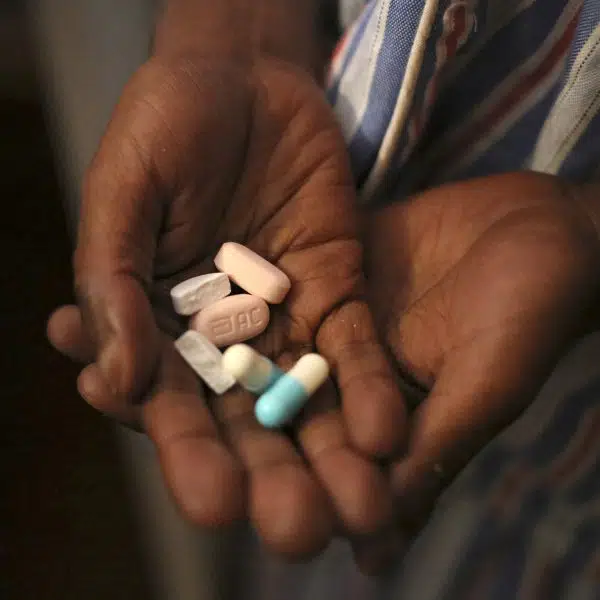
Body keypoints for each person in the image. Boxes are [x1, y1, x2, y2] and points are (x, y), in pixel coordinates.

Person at [46, 0, 600, 597]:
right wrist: (233, 32)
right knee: (314, 498)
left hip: (569, 457)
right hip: (363, 229)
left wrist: (588, 224)